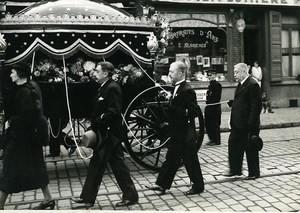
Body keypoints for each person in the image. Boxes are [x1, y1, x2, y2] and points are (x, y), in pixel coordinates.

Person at [70, 61, 138, 208]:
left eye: (98, 71)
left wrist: (99, 121)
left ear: (106, 73)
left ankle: (129, 196)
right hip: (104, 133)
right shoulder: (104, 87)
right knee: (100, 164)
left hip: (109, 134)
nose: (95, 73)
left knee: (114, 166)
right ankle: (88, 198)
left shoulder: (112, 88)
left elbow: (114, 111)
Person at [0, 62, 54, 210]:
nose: (10, 75)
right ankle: (48, 198)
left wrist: (10, 122)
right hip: (31, 137)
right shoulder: (30, 86)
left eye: (12, 72)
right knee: (37, 166)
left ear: (19, 74)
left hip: (21, 138)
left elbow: (28, 116)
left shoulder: (25, 92)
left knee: (9, 169)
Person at [146, 61, 204, 195]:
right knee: (171, 158)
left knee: (190, 160)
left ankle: (198, 186)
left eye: (172, 72)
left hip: (185, 133)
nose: (169, 74)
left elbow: (192, 112)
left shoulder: (187, 90)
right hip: (177, 131)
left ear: (181, 73)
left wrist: (171, 107)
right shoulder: (178, 87)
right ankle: (162, 184)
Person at [224, 63, 262, 180]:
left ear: (244, 72)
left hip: (247, 124)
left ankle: (254, 173)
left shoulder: (253, 84)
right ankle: (235, 170)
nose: (234, 74)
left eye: (237, 72)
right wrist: (233, 103)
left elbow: (256, 106)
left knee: (250, 148)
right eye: (234, 72)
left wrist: (251, 124)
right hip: (237, 123)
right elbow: (242, 101)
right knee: (233, 145)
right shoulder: (241, 84)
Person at [204, 70, 222, 146]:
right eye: (208, 76)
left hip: (214, 108)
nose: (210, 77)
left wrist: (211, 105)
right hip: (209, 107)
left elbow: (217, 97)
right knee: (208, 124)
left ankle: (216, 140)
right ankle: (211, 139)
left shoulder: (217, 85)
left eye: (211, 75)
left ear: (215, 75)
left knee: (214, 125)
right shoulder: (210, 85)